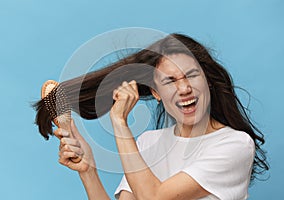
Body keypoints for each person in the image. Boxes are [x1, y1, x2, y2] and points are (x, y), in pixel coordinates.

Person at [34, 33, 269, 199]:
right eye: (170, 81)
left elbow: (154, 197)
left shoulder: (235, 144)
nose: (184, 88)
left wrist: (119, 123)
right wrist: (88, 171)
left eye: (192, 75)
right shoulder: (149, 142)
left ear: (207, 81)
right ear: (156, 92)